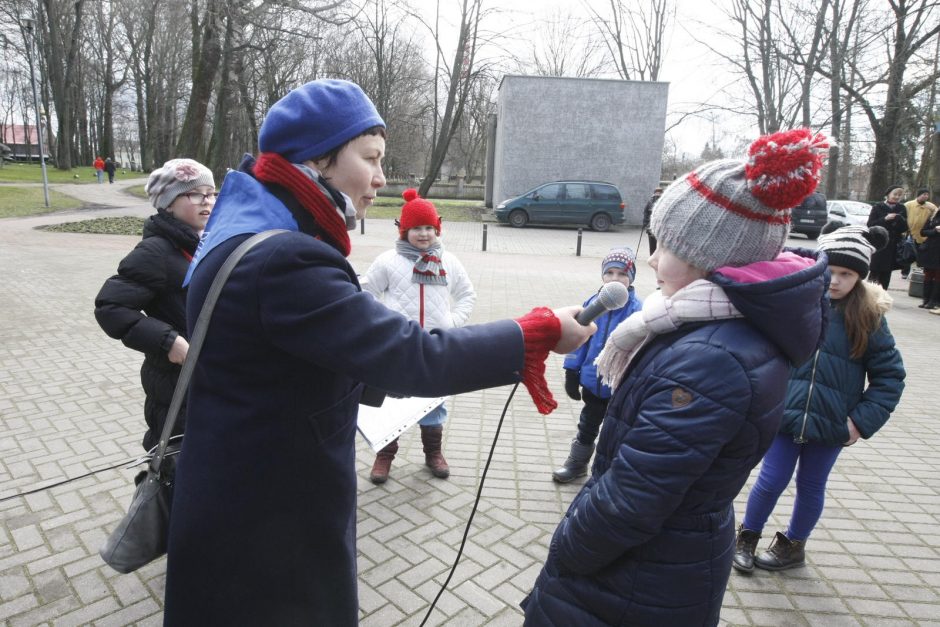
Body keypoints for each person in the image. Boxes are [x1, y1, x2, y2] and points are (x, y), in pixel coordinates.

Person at [162, 79, 595, 625]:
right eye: (371, 158)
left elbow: (283, 356)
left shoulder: (250, 228)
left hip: (244, 488)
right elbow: (415, 357)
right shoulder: (283, 259)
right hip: (271, 515)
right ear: (319, 160)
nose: (382, 179)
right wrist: (535, 332)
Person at [521, 128, 830, 626]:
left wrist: (565, 551)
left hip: (640, 577)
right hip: (659, 562)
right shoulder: (702, 322)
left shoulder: (711, 361)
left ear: (710, 259)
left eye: (663, 245)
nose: (650, 258)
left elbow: (630, 501)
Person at [733, 222, 905, 573]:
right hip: (785, 415)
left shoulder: (868, 318)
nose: (838, 280)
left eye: (847, 273)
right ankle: (747, 537)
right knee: (771, 479)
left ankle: (793, 546)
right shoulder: (798, 307)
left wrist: (858, 422)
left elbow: (890, 377)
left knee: (812, 485)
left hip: (832, 424)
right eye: (832, 270)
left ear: (860, 276)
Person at [94, 158, 216, 451]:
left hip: (209, 378)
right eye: (195, 194)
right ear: (168, 203)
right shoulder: (156, 251)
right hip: (176, 384)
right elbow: (110, 306)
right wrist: (168, 341)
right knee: (176, 461)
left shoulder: (207, 241)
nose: (207, 201)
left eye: (211, 193)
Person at [362, 189, 476, 483]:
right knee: (392, 402)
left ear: (437, 229)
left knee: (434, 402)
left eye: (429, 228)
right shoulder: (388, 261)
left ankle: (433, 453)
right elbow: (365, 293)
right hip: (399, 345)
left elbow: (466, 295)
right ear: (404, 230)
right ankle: (385, 455)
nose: (423, 234)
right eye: (416, 228)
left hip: (436, 346)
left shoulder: (448, 261)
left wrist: (452, 321)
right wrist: (381, 325)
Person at [553, 247, 643, 483]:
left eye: (622, 274)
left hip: (621, 386)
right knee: (587, 425)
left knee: (617, 432)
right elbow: (579, 339)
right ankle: (577, 463)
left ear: (631, 277)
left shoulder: (639, 310)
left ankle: (610, 474)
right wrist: (571, 369)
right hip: (594, 383)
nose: (615, 279)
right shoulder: (594, 303)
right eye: (610, 273)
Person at [866, 185, 908, 289]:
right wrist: (885, 219)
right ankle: (869, 293)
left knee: (886, 272)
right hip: (879, 243)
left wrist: (899, 220)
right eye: (895, 194)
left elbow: (904, 228)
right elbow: (870, 224)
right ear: (888, 194)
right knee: (875, 271)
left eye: (899, 195)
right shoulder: (878, 207)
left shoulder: (901, 208)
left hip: (892, 244)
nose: (897, 197)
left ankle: (883, 293)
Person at [905, 188, 938, 267]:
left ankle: (919, 269)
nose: (926, 196)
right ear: (919, 195)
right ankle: (905, 271)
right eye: (924, 194)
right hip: (910, 233)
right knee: (908, 254)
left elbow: (936, 216)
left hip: (923, 235)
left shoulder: (931, 206)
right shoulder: (908, 204)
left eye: (927, 195)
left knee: (921, 254)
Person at [920, 207, 940, 312]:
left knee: (938, 276)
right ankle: (925, 299)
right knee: (928, 275)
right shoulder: (933, 217)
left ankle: (934, 300)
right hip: (930, 250)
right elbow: (922, 232)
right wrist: (934, 230)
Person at [642, 187, 663, 255]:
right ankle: (656, 256)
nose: (658, 194)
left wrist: (645, 223)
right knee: (658, 244)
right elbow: (645, 212)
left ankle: (652, 255)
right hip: (657, 227)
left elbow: (645, 213)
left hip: (653, 227)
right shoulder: (663, 201)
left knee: (653, 243)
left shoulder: (650, 201)